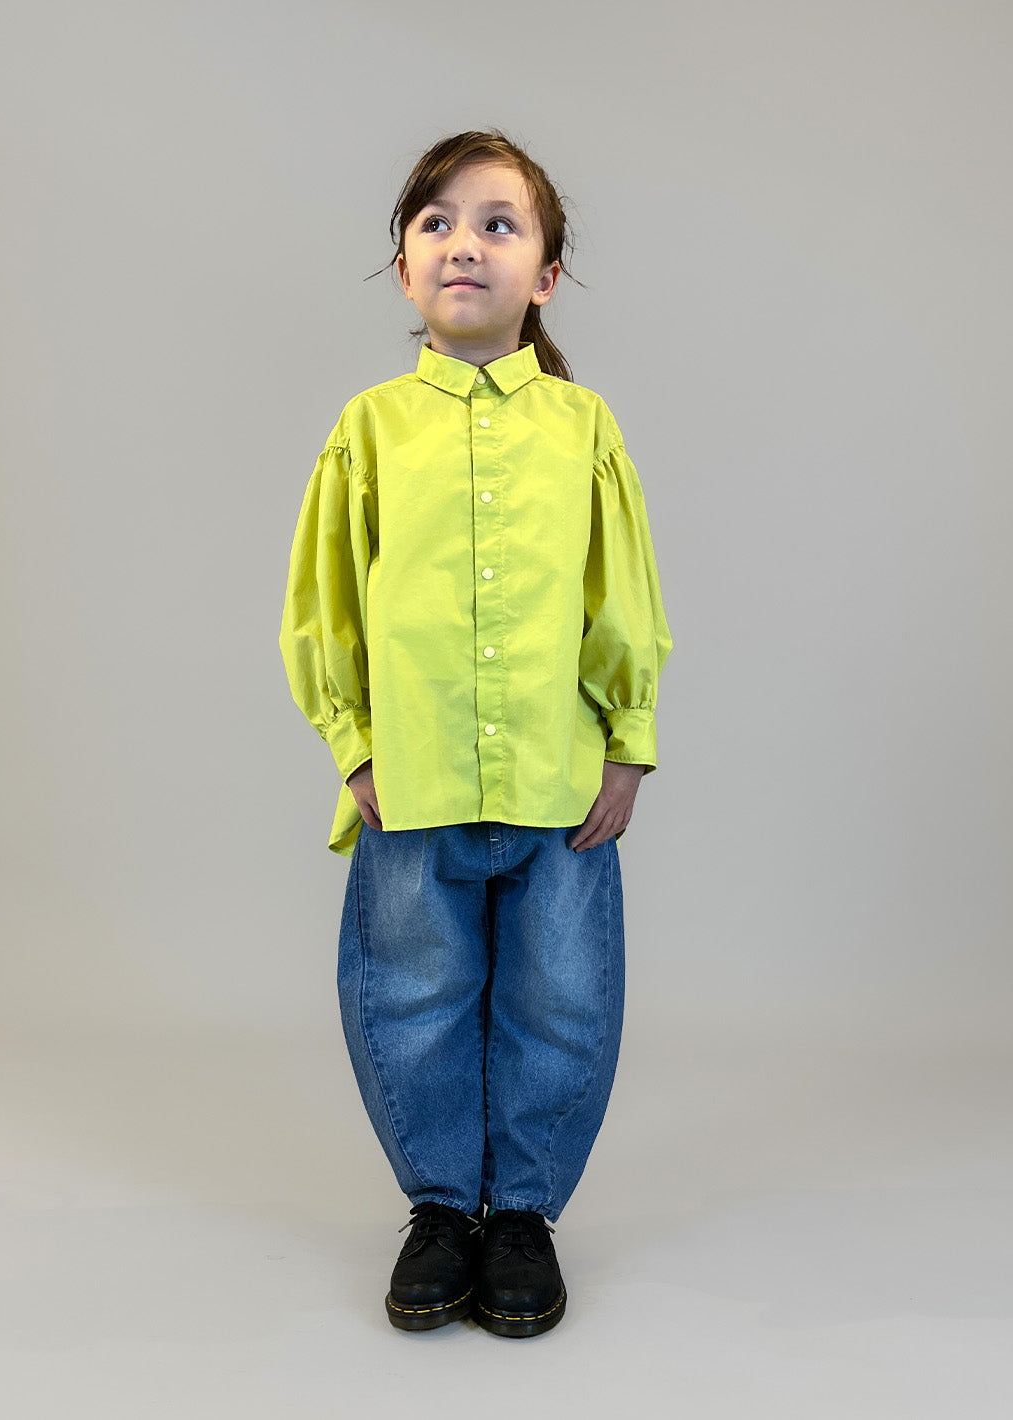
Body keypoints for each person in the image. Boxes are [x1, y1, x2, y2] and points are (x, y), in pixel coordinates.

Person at [278, 128, 672, 1337]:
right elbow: (324, 599)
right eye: (436, 222)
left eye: (499, 223)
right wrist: (353, 744)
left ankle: (523, 1218)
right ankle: (442, 1206)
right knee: (412, 994)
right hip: (412, 780)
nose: (465, 243)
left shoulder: (583, 426)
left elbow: (620, 595)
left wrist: (625, 741)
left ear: (543, 274)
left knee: (561, 999)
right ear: (403, 267)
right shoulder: (367, 429)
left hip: (559, 783)